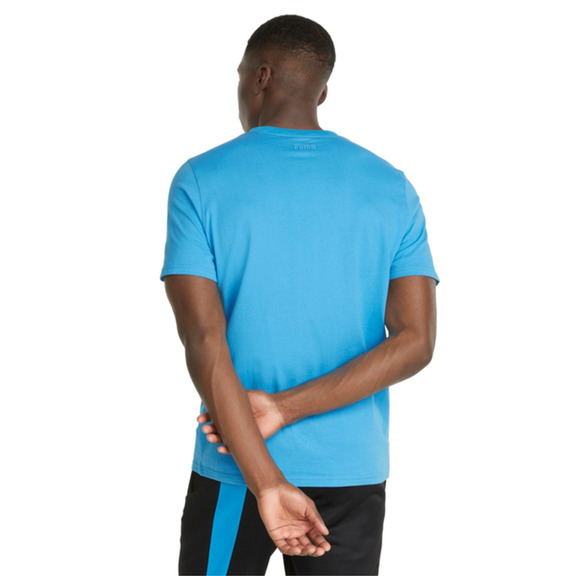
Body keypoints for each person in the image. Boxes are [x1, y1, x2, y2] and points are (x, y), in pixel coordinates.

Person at [161, 14, 438, 576]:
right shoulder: (393, 188)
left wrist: (266, 479)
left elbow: (204, 341)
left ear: (260, 77)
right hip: (352, 471)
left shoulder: (200, 180)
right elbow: (416, 341)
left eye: (240, 75)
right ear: (322, 91)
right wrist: (285, 409)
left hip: (237, 465)